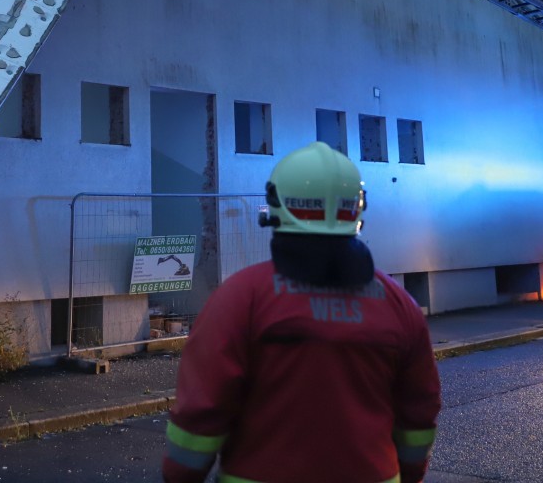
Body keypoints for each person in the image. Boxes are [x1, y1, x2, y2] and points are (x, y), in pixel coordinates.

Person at [162, 142, 442, 483]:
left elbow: (202, 412)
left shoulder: (240, 299)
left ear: (277, 205)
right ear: (357, 208)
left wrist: (180, 476)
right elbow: (419, 412)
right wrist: (408, 474)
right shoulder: (399, 304)